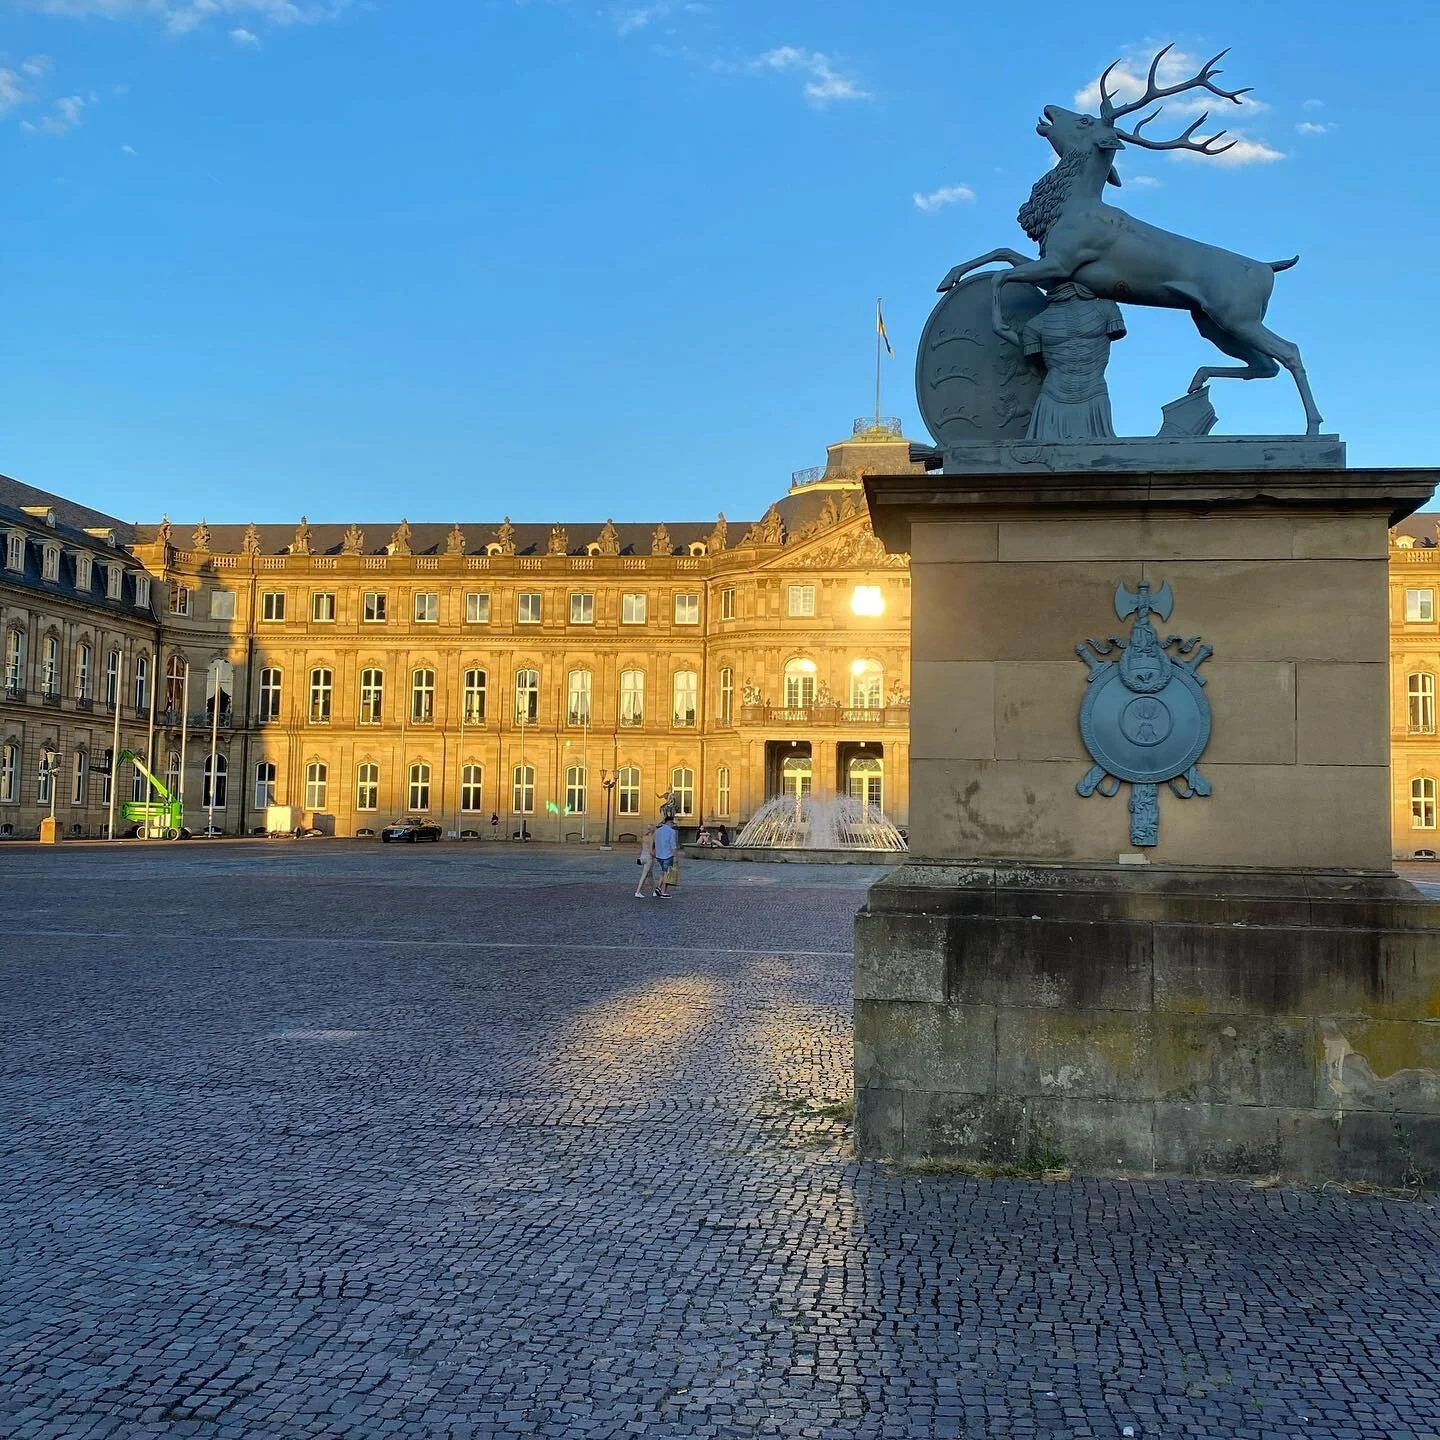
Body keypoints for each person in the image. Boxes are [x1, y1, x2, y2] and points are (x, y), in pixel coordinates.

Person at [653, 815, 679, 898]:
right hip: (667, 855)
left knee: (663, 872)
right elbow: (673, 845)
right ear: (670, 822)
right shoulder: (671, 831)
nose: (673, 825)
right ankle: (663, 892)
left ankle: (657, 889)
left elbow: (655, 842)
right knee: (667, 874)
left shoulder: (658, 831)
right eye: (673, 823)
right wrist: (675, 857)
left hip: (659, 855)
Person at [635, 825, 656, 898]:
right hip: (648, 858)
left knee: (650, 875)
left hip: (642, 856)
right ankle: (637, 891)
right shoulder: (652, 838)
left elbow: (642, 847)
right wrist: (655, 856)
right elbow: (651, 851)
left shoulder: (644, 837)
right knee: (644, 875)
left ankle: (654, 891)